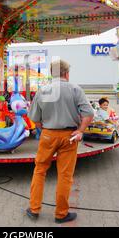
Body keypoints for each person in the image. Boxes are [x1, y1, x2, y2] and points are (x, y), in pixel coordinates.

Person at [26, 59, 94, 224]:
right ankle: (61, 214)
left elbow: (34, 118)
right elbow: (88, 114)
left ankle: (34, 209)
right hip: (69, 136)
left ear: (52, 73)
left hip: (48, 135)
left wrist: (45, 130)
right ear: (66, 73)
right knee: (65, 175)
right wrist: (80, 130)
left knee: (40, 170)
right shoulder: (75, 89)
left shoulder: (42, 91)